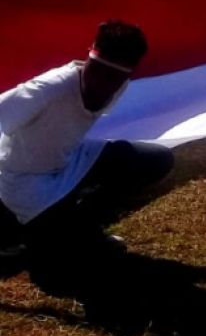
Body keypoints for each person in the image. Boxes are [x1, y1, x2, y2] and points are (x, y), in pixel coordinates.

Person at [0, 21, 173, 255]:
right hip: (24, 179)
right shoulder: (49, 88)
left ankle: (83, 224)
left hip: (68, 161)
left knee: (156, 160)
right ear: (88, 56)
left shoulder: (119, 86)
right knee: (57, 253)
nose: (100, 83)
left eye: (112, 77)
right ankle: (21, 225)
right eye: (96, 70)